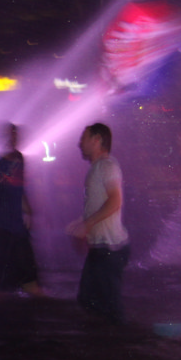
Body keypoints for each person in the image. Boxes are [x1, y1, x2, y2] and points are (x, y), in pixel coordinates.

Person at [68, 122, 129, 324]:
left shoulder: (107, 166)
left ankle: (124, 339)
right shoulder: (97, 168)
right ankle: (110, 338)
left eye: (84, 138)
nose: (80, 143)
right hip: (101, 248)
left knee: (108, 309)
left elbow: (115, 201)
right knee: (88, 300)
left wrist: (87, 225)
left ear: (97, 140)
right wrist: (83, 225)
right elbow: (98, 205)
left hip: (110, 248)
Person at [0, 123, 43, 297]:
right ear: (4, 139)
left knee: (24, 268)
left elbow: (20, 188)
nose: (14, 139)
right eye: (11, 135)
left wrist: (28, 210)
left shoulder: (19, 159)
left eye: (16, 135)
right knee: (1, 271)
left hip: (17, 225)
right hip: (3, 225)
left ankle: (26, 292)